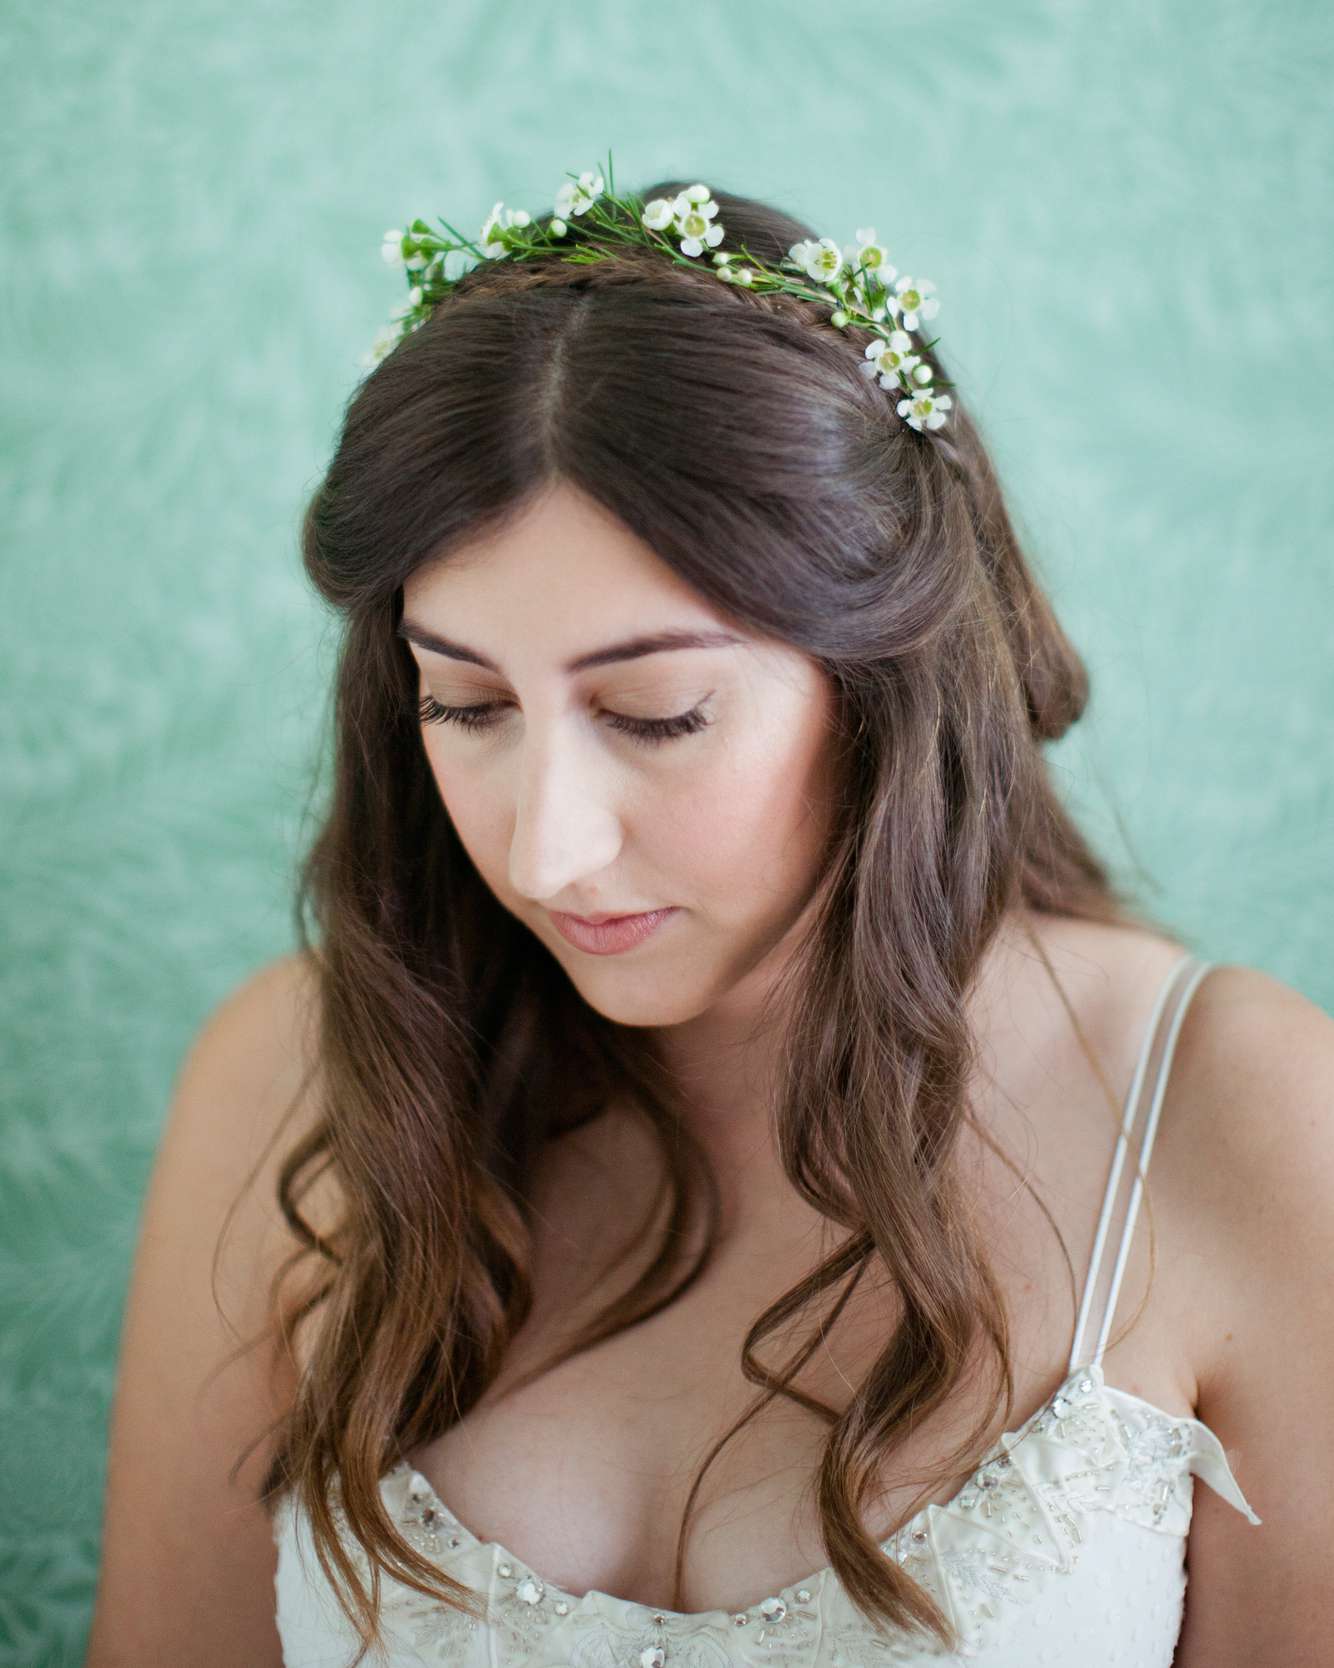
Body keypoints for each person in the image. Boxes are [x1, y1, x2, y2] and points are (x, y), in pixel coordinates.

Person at [87, 171, 1334, 1668]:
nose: (548, 849)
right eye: (465, 703)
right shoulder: (292, 1080)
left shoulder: (1240, 1115)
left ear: (884, 676)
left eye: (657, 713)